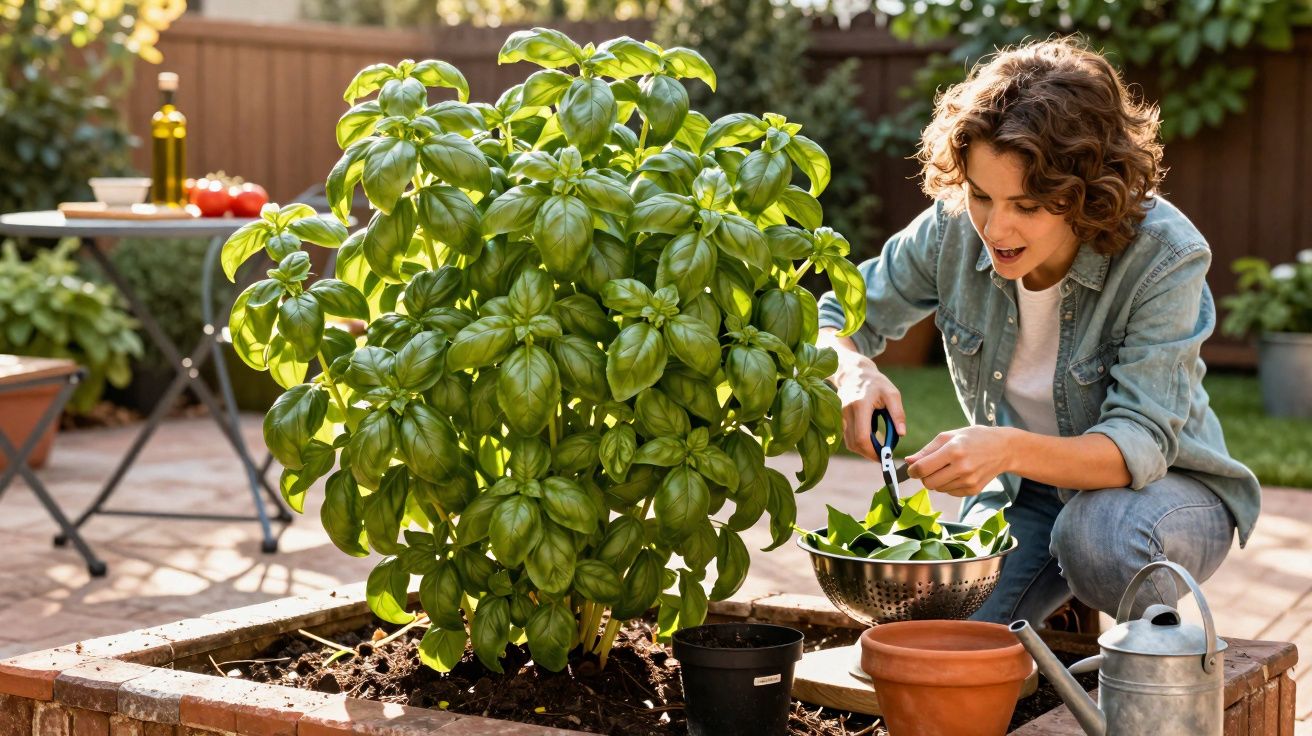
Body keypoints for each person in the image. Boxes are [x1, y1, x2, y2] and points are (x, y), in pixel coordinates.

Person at [816, 37, 1260, 625]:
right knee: (940, 635)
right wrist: (852, 369)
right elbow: (837, 316)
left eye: (1026, 205)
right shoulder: (952, 231)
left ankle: (1149, 674)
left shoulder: (1164, 255)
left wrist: (1003, 449)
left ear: (1085, 195)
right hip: (1024, 498)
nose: (995, 227)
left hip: (1167, 498)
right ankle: (1052, 623)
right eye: (980, 195)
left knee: (1098, 539)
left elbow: (1140, 442)